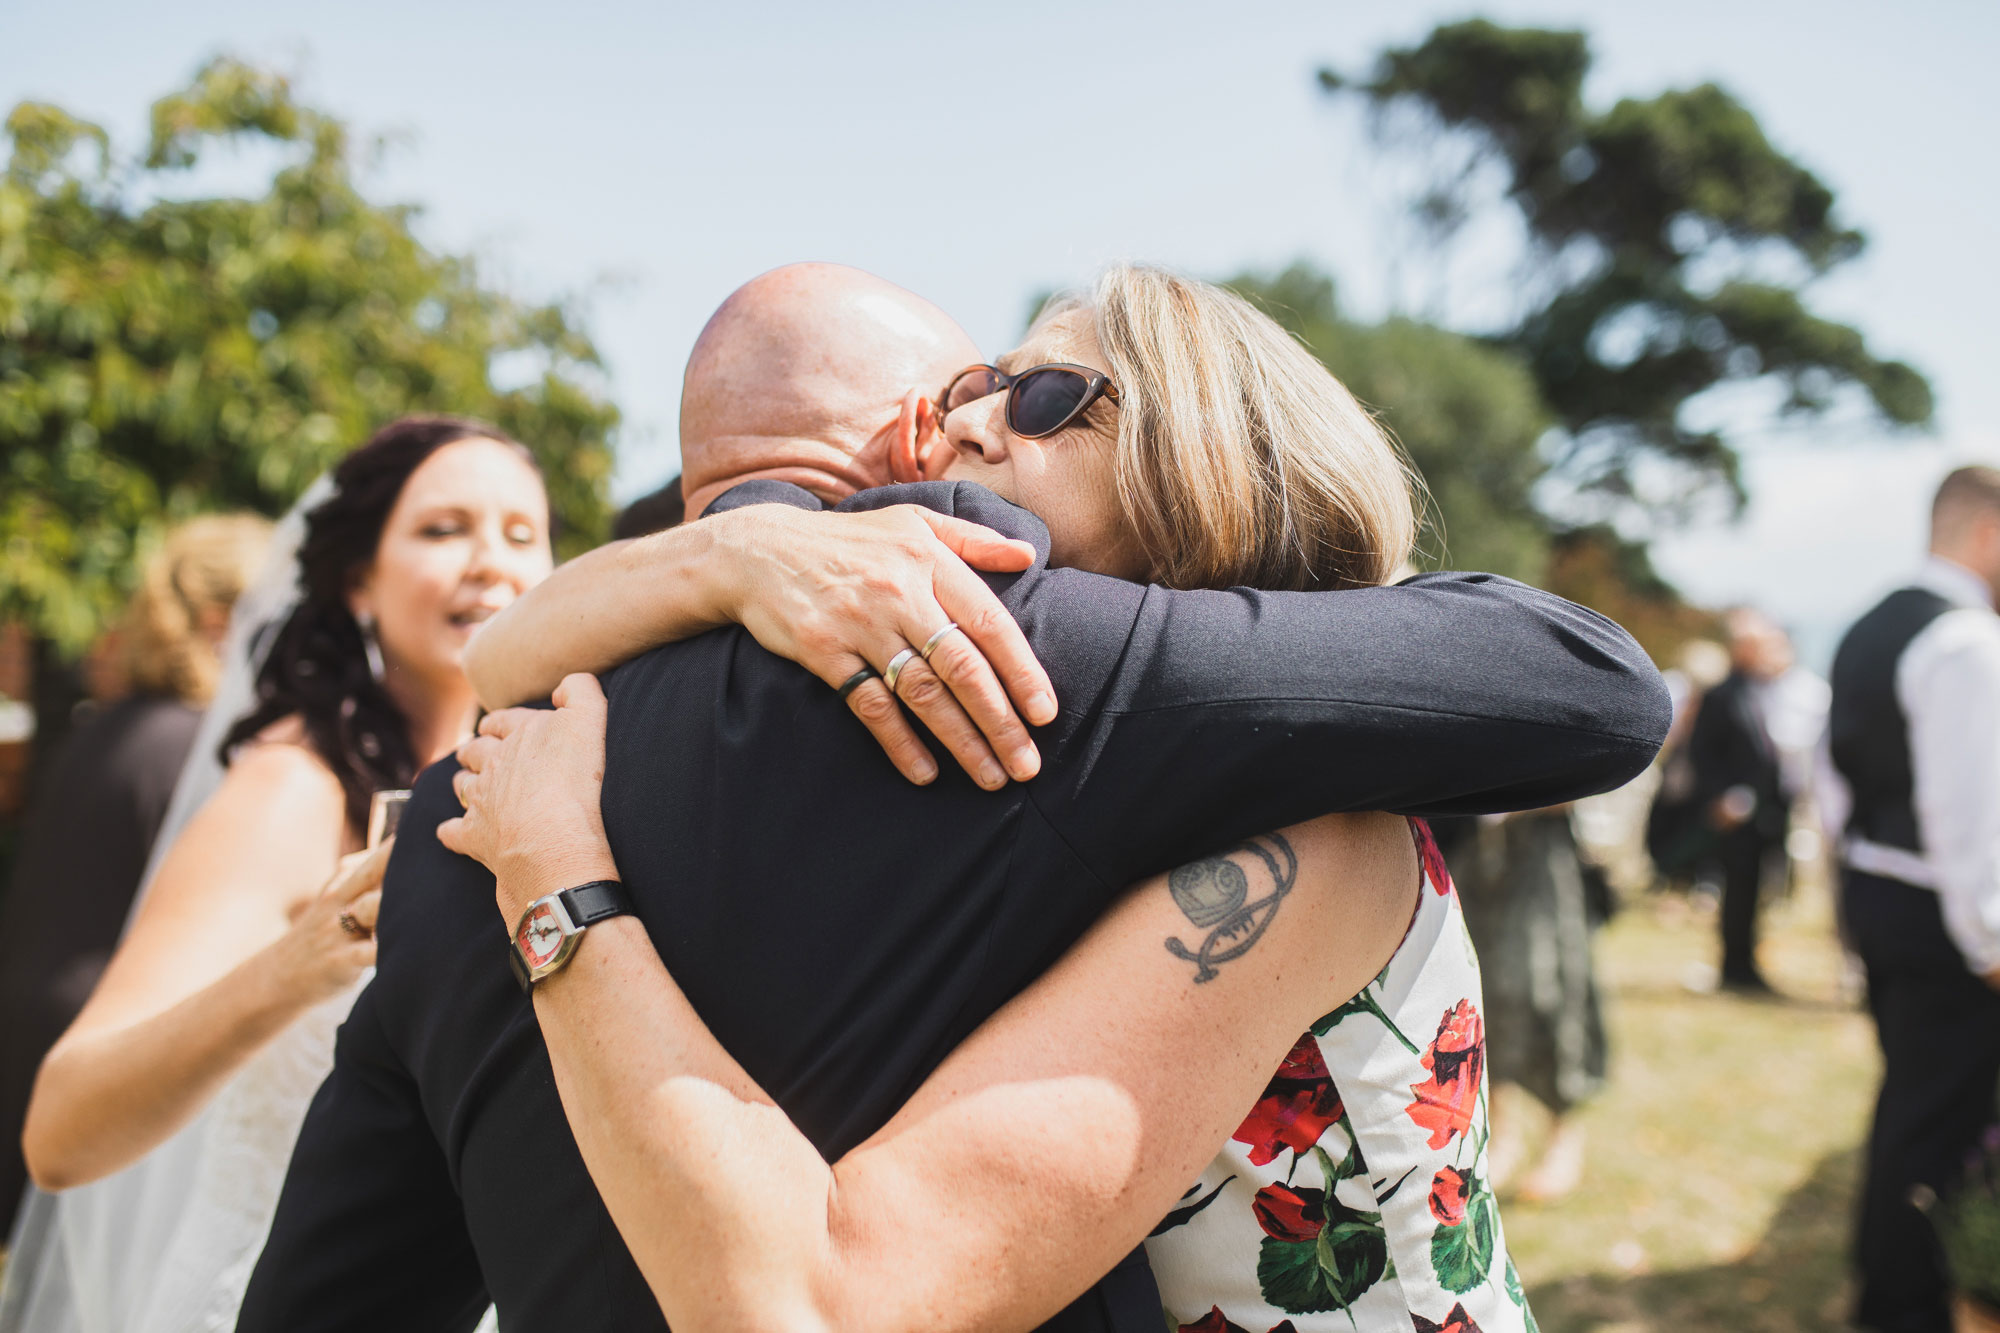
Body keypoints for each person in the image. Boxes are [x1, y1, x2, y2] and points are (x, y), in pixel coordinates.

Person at [241, 264, 1669, 1332]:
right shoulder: (1069, 717)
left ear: (1205, 454)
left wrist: (559, 870)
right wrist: (726, 570)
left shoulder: (1228, 769)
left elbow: (1600, 684)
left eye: (1034, 389)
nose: (963, 426)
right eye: (958, 394)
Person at [0, 417, 553, 1333]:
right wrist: (304, 958)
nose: (490, 561)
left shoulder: (525, 788)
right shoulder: (290, 791)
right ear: (358, 581)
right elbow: (61, 1131)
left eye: (521, 534)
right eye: (443, 529)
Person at [0, 514, 271, 1228]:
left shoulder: (111, 727)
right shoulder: (198, 754)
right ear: (221, 621)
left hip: (31, 1025)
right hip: (106, 1058)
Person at [1831, 465, 2000, 1333]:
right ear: (1988, 533)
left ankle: (1883, 1281)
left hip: (1877, 894)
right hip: (1942, 915)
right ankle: (1908, 1307)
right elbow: (1968, 818)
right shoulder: (1967, 640)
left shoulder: (1866, 626)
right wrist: (1991, 944)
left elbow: (1833, 790)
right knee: (1942, 1122)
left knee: (1908, 1105)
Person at [1432, 809, 1607, 1204]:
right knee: (1474, 987)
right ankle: (1499, 1133)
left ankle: (1562, 1133)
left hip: (1540, 846)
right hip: (1464, 844)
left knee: (1547, 990)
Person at [1686, 607, 1792, 991]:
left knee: (1758, 892)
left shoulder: (1767, 690)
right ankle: (1734, 968)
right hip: (1734, 813)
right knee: (1737, 893)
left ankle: (1748, 963)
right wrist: (1720, 798)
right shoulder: (1720, 695)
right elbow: (1701, 752)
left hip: (1766, 813)